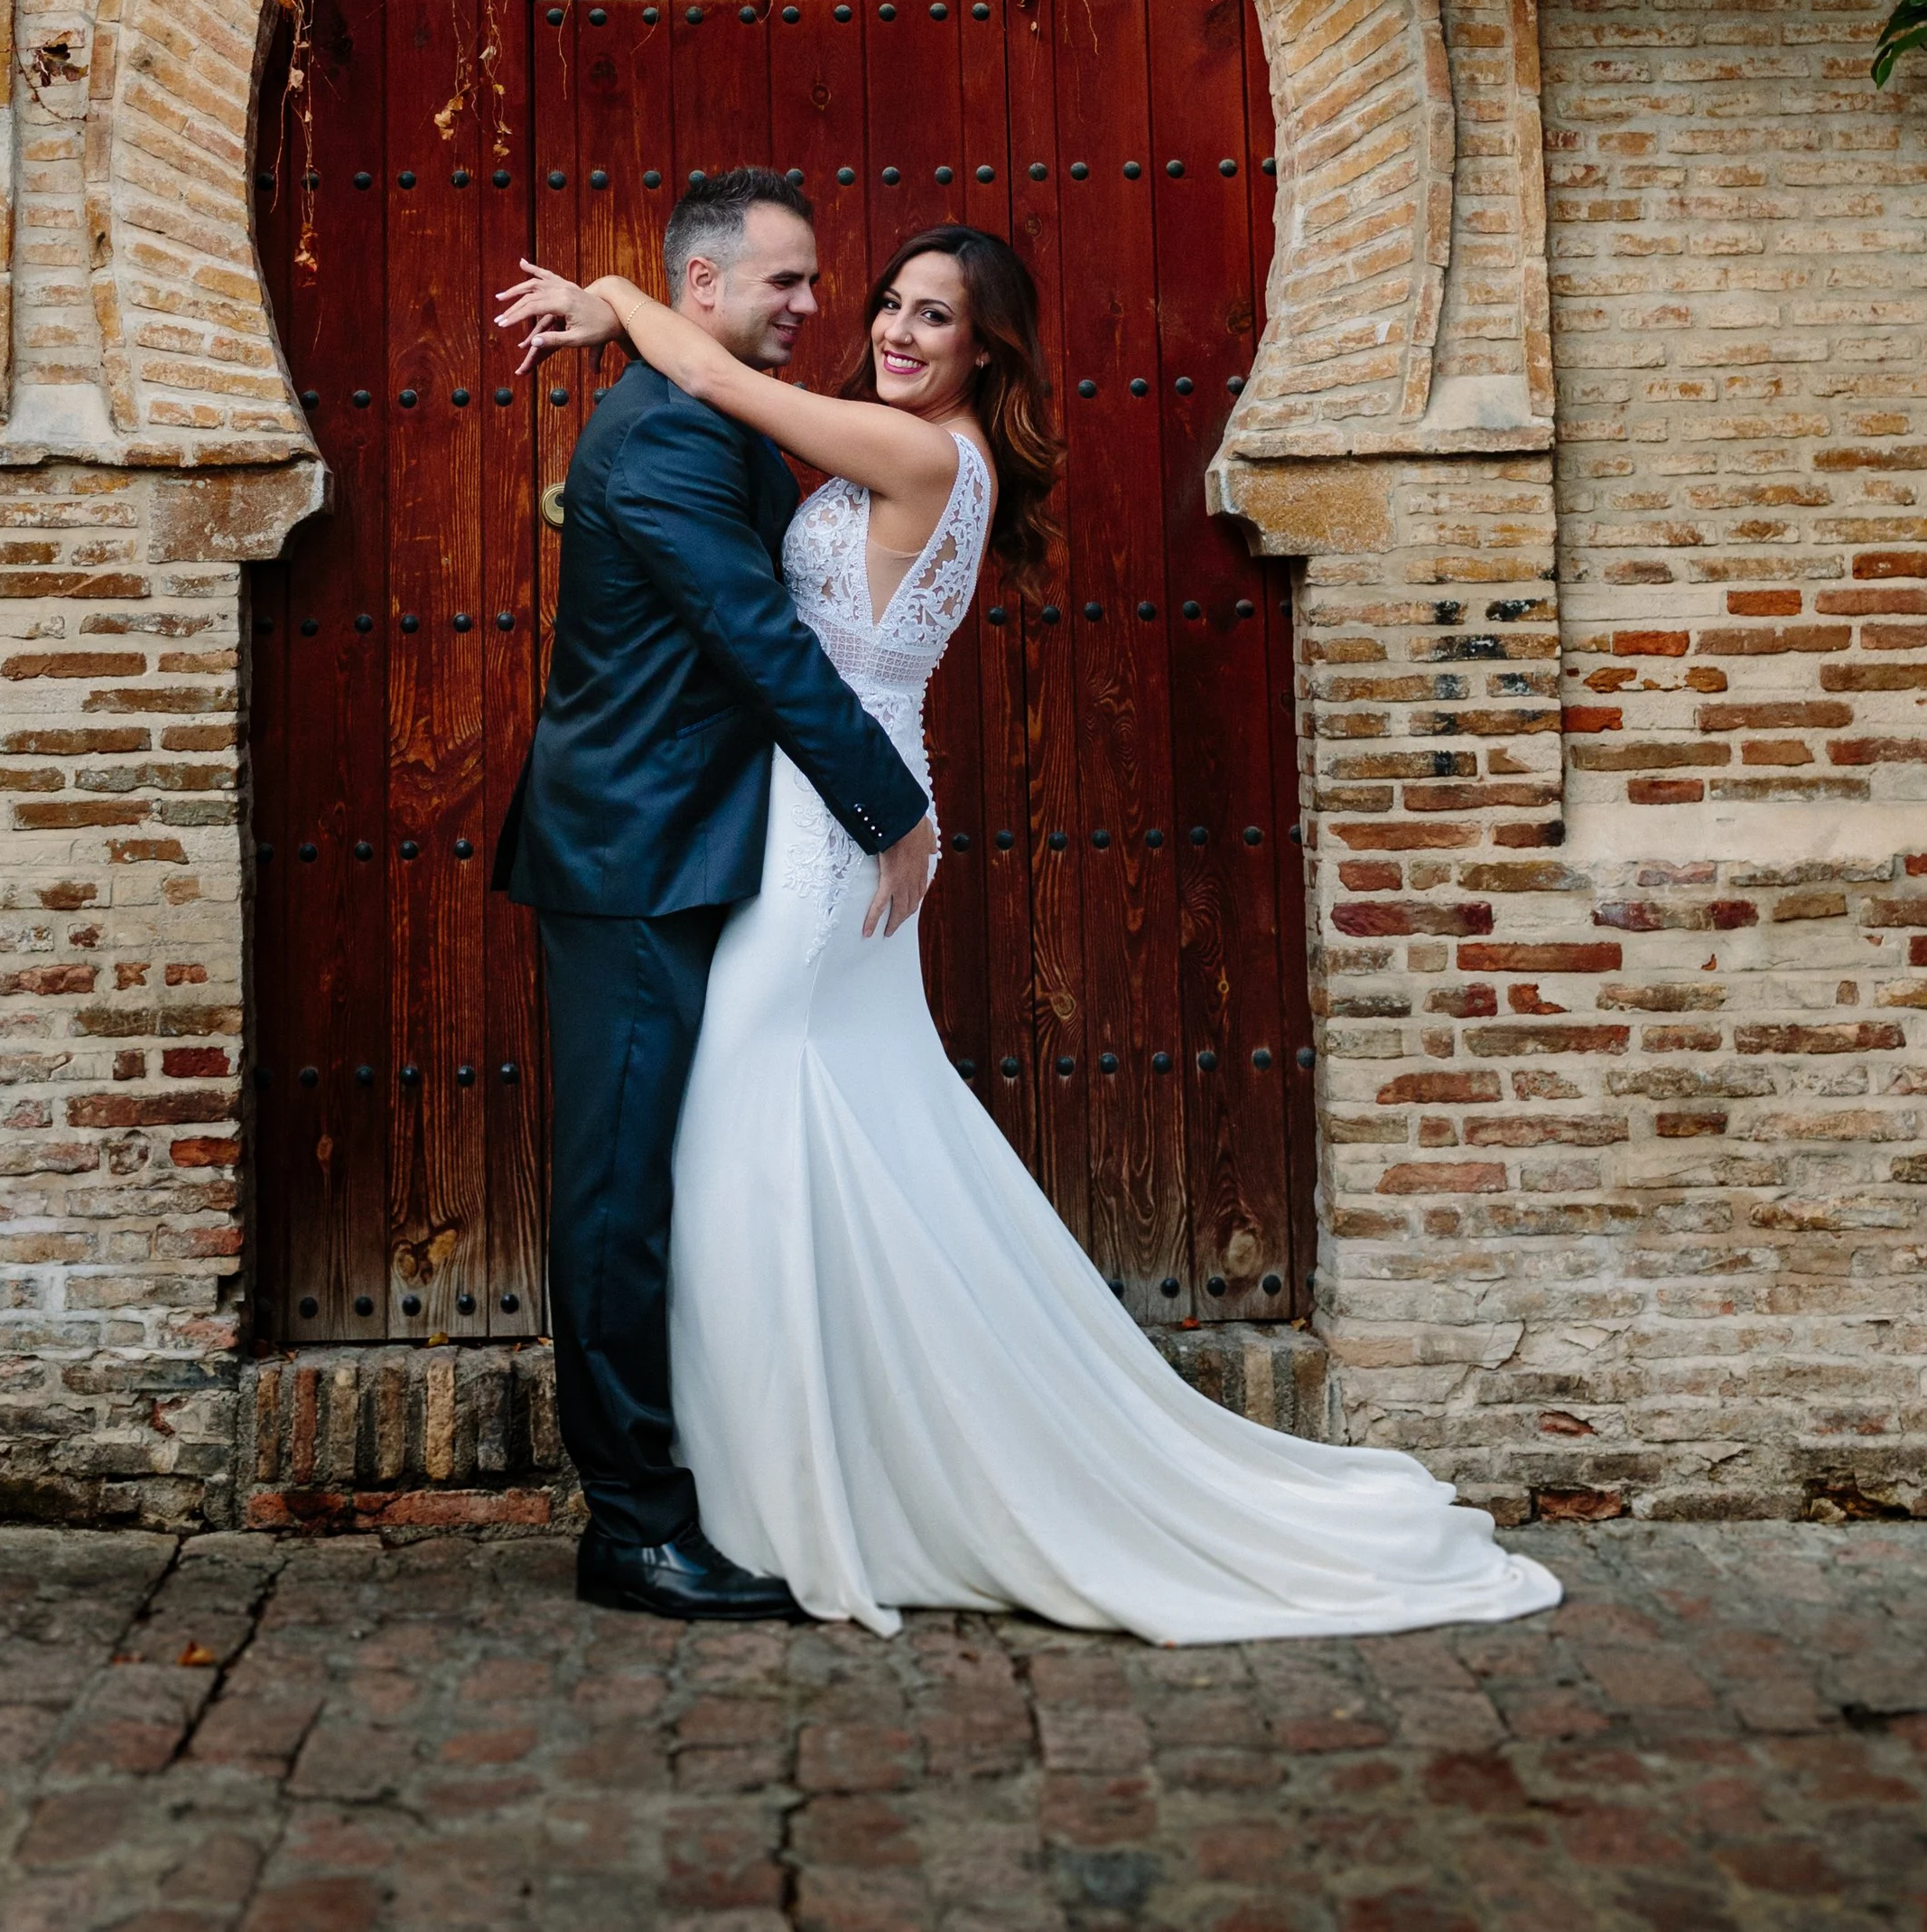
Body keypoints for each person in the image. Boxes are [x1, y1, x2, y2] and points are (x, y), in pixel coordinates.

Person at [499, 211, 1564, 1645]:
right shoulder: (911, 448)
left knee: (745, 1138)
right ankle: (791, 1477)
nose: (889, 327)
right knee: (798, 1136)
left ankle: (779, 1492)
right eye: (886, 302)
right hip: (825, 810)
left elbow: (725, 389)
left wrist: (613, 294)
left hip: (833, 826)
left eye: (932, 315)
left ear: (988, 348)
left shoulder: (927, 456)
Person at [491, 167, 930, 1620]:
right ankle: (631, 1526)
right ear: (705, 285)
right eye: (784, 279)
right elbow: (758, 639)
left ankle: (713, 1486)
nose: (813, 303)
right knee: (618, 1194)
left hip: (678, 844)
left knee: (658, 1178)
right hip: (635, 856)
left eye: (812, 279)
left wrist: (613, 303)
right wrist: (891, 805)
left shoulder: (697, 401)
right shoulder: (673, 439)